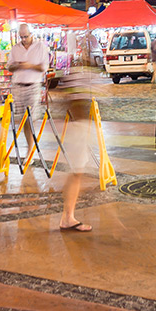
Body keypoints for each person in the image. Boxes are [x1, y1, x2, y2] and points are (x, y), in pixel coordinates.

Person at [52, 39, 101, 233]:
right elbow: (75, 102)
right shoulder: (82, 76)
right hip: (78, 128)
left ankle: (68, 215)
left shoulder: (78, 75)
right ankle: (68, 217)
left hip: (78, 127)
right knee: (76, 173)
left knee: (77, 173)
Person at [7, 23, 49, 148]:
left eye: (26, 36)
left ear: (32, 34)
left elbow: (43, 67)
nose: (23, 39)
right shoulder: (15, 48)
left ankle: (30, 148)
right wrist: (19, 65)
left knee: (31, 118)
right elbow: (10, 66)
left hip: (33, 85)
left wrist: (30, 66)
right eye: (21, 37)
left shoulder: (40, 47)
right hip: (18, 86)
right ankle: (28, 145)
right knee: (23, 119)